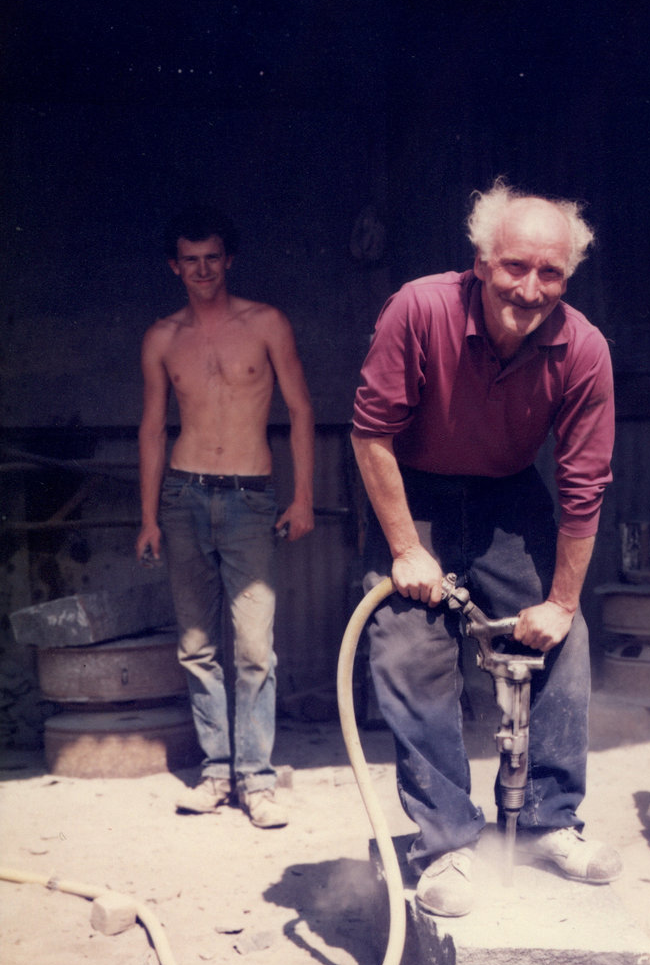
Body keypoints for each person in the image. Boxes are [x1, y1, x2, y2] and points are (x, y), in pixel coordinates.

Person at [351, 179, 619, 915]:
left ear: (567, 279)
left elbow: (582, 485)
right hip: (413, 488)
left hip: (507, 493)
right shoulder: (419, 307)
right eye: (514, 268)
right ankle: (445, 848)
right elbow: (370, 433)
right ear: (480, 260)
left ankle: (547, 821)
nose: (530, 289)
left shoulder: (583, 349)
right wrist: (406, 549)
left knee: (563, 640)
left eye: (550, 274)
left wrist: (561, 603)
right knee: (410, 650)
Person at [136, 204, 315, 828]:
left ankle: (256, 781)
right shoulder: (162, 337)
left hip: (249, 496)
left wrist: (303, 497)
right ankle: (216, 775)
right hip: (183, 498)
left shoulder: (265, 323)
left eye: (213, 258)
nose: (203, 269)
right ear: (174, 266)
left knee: (255, 645)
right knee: (195, 644)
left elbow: (299, 412)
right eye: (191, 260)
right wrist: (149, 516)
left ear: (228, 260)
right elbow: (154, 429)